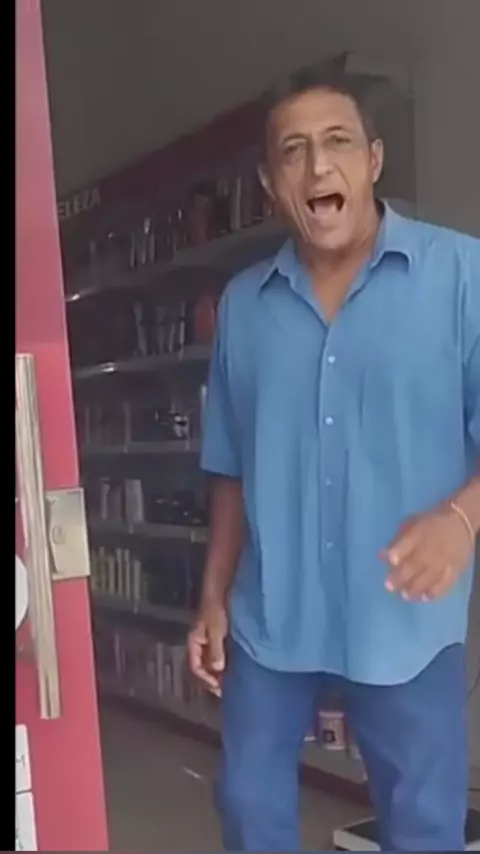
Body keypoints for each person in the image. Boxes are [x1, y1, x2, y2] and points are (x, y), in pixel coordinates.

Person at [187, 66, 480, 852]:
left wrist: (461, 520)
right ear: (269, 183)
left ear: (373, 160)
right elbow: (230, 464)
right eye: (294, 151)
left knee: (422, 825)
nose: (318, 166)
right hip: (272, 616)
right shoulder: (243, 307)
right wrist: (212, 596)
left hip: (403, 619)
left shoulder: (462, 276)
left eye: (338, 142)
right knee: (248, 806)